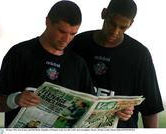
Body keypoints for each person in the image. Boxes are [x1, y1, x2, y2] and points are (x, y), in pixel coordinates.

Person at [0, 0, 95, 127]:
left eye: (73, 34)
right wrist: (16, 99)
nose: (66, 39)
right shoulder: (19, 53)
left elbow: (92, 109)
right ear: (47, 22)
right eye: (62, 32)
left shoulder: (78, 64)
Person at [69, 0, 164, 128]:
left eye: (123, 27)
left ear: (131, 23)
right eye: (111, 23)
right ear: (104, 13)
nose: (115, 32)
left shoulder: (140, 55)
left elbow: (151, 109)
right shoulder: (78, 43)